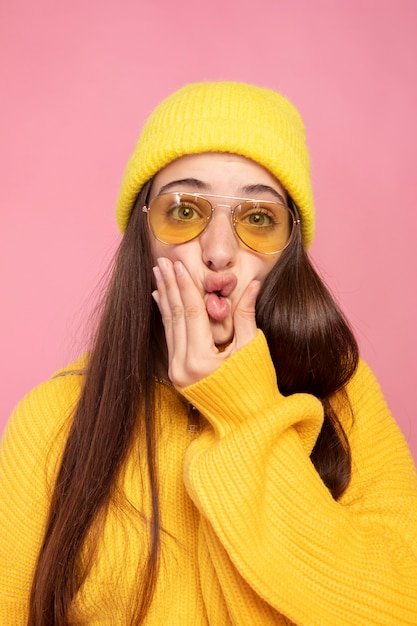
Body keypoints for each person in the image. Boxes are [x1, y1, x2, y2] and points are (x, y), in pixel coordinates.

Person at [1, 81, 416, 626]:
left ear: (288, 248)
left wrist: (242, 404)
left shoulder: (343, 393)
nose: (219, 251)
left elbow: (395, 610)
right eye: (185, 210)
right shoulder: (54, 416)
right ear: (143, 236)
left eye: (258, 218)